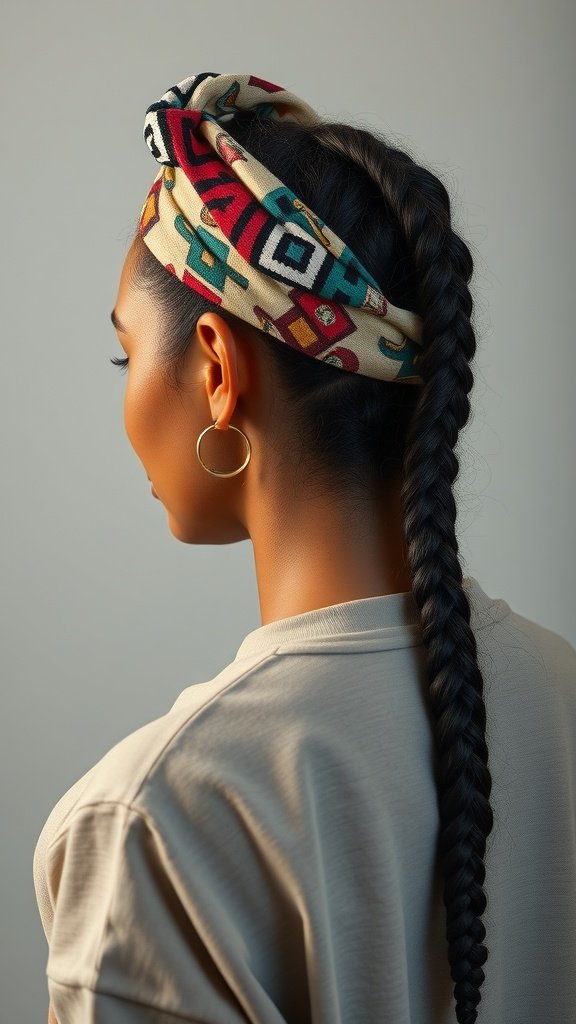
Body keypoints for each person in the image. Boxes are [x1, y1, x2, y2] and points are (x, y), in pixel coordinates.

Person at [33, 72, 576, 1024]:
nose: (125, 391)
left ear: (216, 368)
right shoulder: (562, 690)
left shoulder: (156, 820)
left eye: (128, 353)